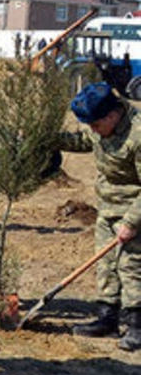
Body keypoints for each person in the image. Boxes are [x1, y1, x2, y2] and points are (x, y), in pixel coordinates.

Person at [60, 83, 141, 350]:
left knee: (131, 267)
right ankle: (107, 319)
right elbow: (85, 140)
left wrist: (131, 222)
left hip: (135, 210)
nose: (93, 130)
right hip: (107, 207)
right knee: (106, 265)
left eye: (95, 124)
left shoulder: (138, 134)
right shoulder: (100, 126)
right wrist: (50, 138)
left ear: (111, 116)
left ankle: (137, 327)